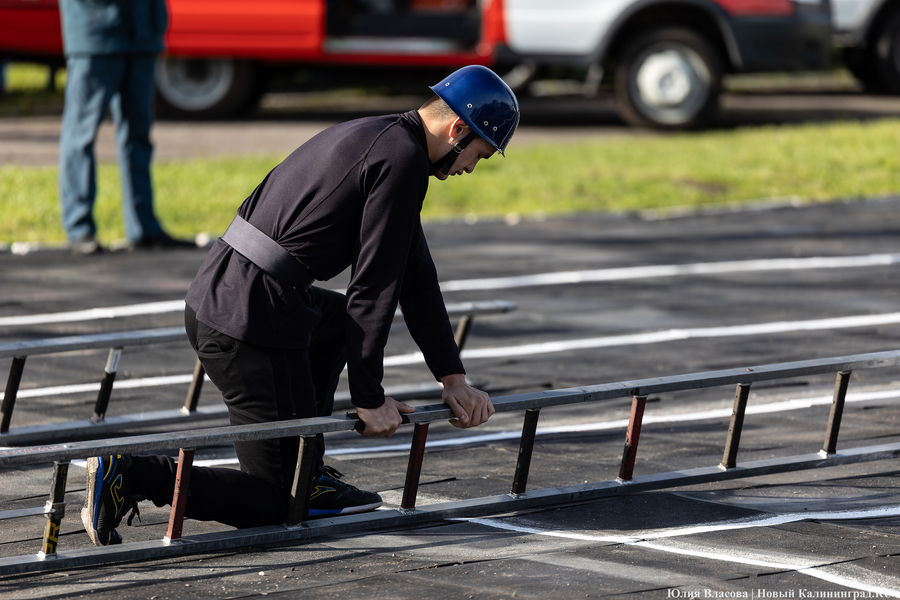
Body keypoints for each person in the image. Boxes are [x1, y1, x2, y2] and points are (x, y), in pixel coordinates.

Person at [80, 65, 520, 546]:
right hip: (249, 322)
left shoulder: (384, 138)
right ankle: (132, 474)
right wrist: (369, 398)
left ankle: (306, 471)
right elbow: (373, 288)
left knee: (333, 326)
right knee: (277, 503)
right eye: (478, 154)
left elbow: (415, 276)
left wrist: (452, 378)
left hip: (235, 297)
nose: (470, 168)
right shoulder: (402, 161)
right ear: (457, 130)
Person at [58, 0, 193, 255]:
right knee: (81, 137)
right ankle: (79, 228)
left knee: (138, 136)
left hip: (143, 31)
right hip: (95, 31)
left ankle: (143, 227)